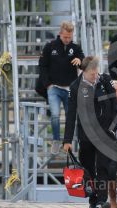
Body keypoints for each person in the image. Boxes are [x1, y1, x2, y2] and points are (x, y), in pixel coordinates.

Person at [63, 56, 117, 208]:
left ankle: (101, 200)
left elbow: (114, 103)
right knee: (88, 168)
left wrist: (113, 125)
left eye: (96, 72)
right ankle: (93, 202)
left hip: (105, 132)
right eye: (92, 74)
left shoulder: (105, 81)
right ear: (83, 71)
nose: (95, 76)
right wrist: (67, 140)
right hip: (86, 134)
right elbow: (71, 115)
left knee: (103, 167)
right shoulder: (75, 87)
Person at [39, 21, 84, 153]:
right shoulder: (50, 46)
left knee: (71, 116)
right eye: (65, 37)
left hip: (70, 88)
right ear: (60, 34)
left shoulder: (75, 47)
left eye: (70, 37)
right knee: (55, 115)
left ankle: (67, 141)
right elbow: (42, 65)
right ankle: (56, 140)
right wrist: (47, 84)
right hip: (54, 88)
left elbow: (83, 60)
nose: (67, 40)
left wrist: (80, 61)